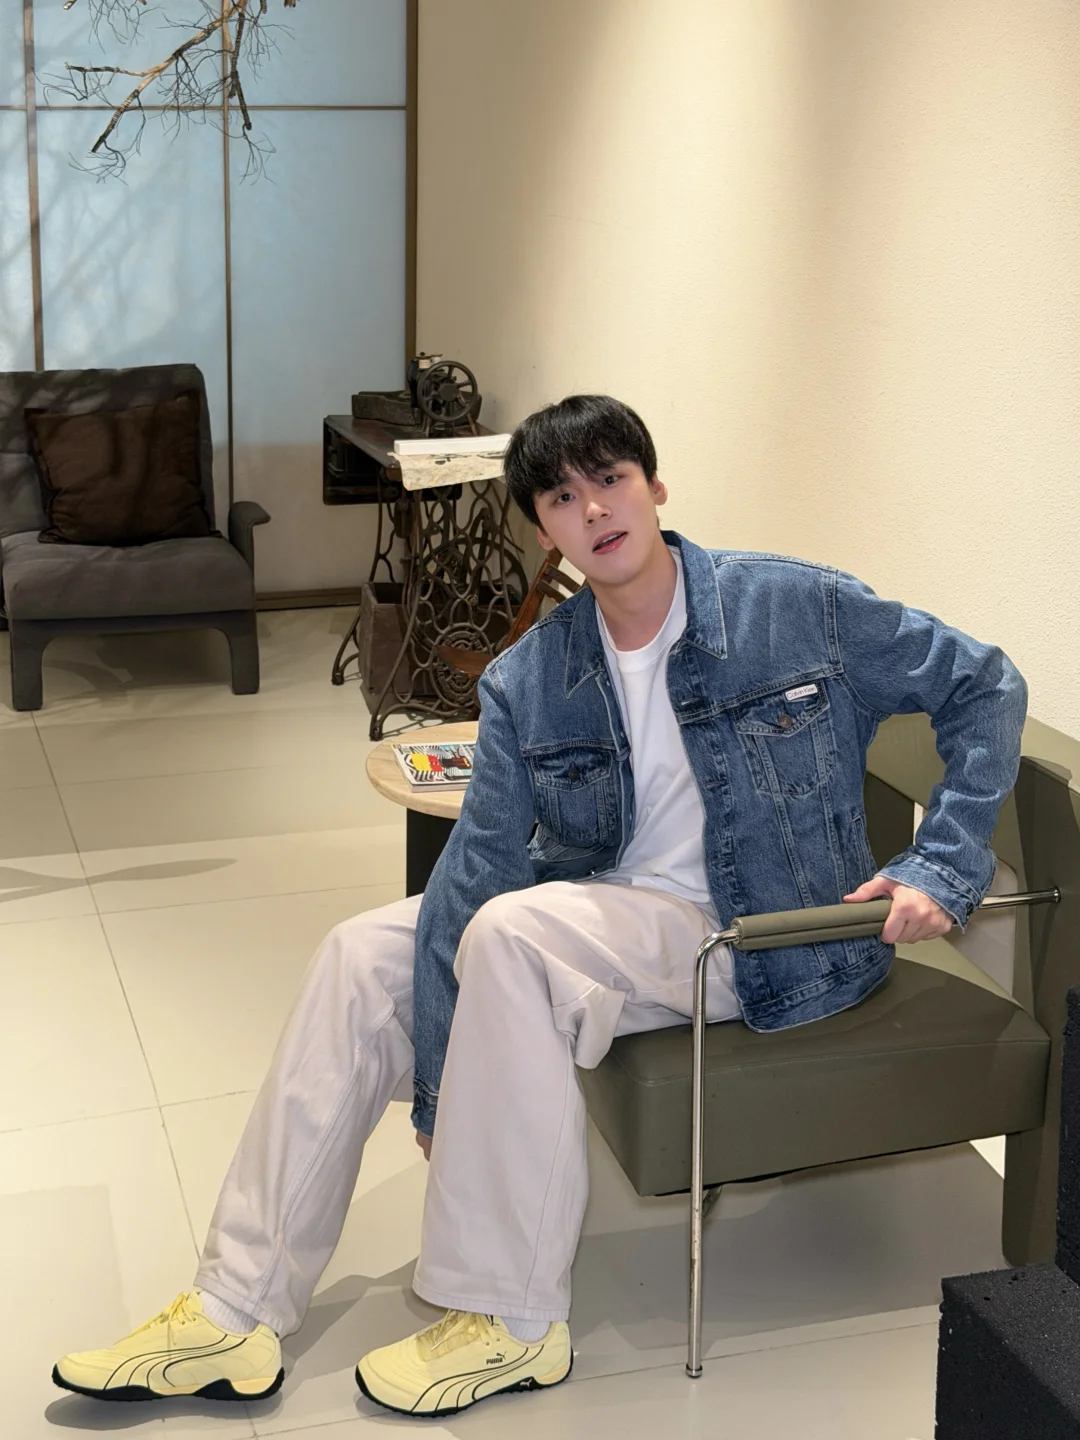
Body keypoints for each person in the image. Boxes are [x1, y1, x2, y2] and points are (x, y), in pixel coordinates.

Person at [52, 395, 1026, 1418]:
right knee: (359, 952)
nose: (593, 509)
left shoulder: (791, 606)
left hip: (767, 937)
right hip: (611, 914)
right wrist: (438, 1085)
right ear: (542, 529)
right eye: (561, 497)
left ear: (654, 486)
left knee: (515, 936)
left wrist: (941, 863)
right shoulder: (536, 673)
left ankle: (511, 1320)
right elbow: (471, 869)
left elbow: (986, 685)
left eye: (610, 479)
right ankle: (234, 1309)